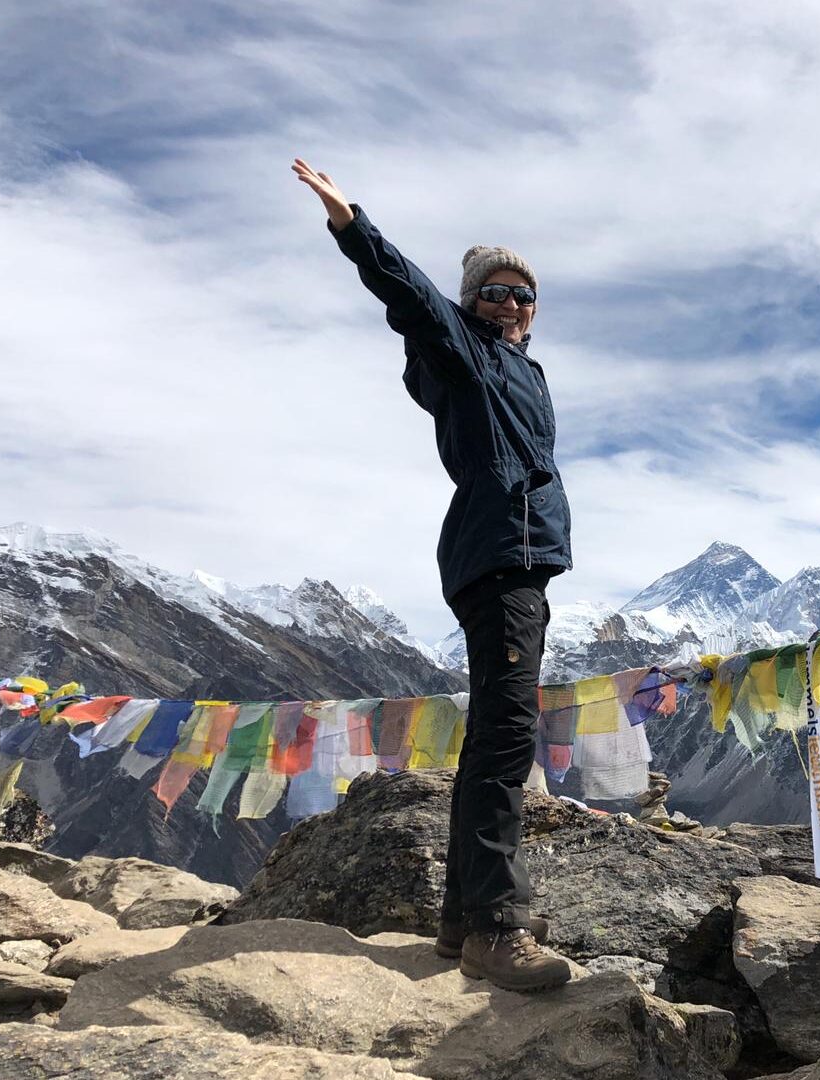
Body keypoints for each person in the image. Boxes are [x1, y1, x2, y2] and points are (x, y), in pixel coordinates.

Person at [293, 158, 572, 992]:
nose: (512, 304)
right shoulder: (467, 353)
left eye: (524, 294)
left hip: (519, 557)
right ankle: (494, 927)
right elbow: (410, 296)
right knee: (506, 741)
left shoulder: (525, 369)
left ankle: (460, 921)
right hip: (501, 556)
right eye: (496, 291)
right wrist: (355, 227)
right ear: (474, 301)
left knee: (495, 733)